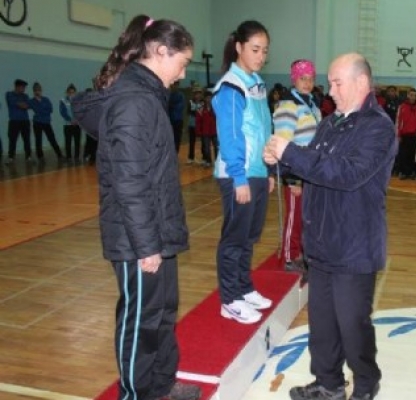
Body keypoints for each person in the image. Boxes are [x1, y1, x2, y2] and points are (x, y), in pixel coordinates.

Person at [71, 15, 200, 400]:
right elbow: (129, 181)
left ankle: (161, 384)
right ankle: (136, 393)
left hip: (156, 230)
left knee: (163, 312)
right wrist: (147, 246)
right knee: (141, 319)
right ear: (160, 52)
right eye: (182, 62)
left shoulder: (148, 96)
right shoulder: (132, 101)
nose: (183, 73)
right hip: (138, 239)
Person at [264, 52, 397, 400]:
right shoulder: (330, 123)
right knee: (322, 323)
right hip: (321, 242)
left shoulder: (378, 127)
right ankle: (329, 383)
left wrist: (291, 153)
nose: (331, 91)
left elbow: (348, 173)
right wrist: (280, 160)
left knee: (352, 324)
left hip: (354, 245)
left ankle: (365, 384)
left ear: (361, 82)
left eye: (337, 83)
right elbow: (313, 165)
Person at [212, 20, 274, 325]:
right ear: (239, 47)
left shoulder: (257, 83)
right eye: (255, 49)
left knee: (249, 237)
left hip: (258, 171)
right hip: (238, 174)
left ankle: (244, 288)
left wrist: (270, 169)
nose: (261, 56)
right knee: (234, 238)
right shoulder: (231, 86)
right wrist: (238, 177)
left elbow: (264, 128)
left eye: (265, 51)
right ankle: (230, 299)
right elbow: (231, 135)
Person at [272, 59, 321, 273]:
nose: (307, 83)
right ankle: (290, 257)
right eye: (303, 78)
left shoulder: (312, 104)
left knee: (306, 217)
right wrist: (292, 178)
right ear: (294, 79)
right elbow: (283, 143)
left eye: (311, 79)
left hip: (311, 171)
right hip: (296, 173)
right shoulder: (288, 106)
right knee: (294, 215)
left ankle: (301, 252)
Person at [28, 82, 64, 162]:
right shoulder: (32, 101)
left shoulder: (46, 99)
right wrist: (42, 110)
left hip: (46, 122)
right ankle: (40, 157)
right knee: (38, 140)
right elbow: (37, 110)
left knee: (52, 139)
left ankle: (59, 155)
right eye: (36, 90)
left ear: (41, 90)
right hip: (37, 123)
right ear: (33, 91)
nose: (37, 91)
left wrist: (40, 110)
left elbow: (50, 109)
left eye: (39, 90)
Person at [5, 78, 32, 164]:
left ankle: (28, 157)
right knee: (12, 140)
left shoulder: (25, 96)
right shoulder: (9, 94)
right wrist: (21, 104)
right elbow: (15, 103)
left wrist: (20, 104)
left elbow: (27, 106)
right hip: (14, 121)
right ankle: (11, 157)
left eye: (24, 87)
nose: (24, 89)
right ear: (17, 87)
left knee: (27, 139)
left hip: (25, 121)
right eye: (22, 87)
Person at [59, 84, 82, 163]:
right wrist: (70, 120)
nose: (72, 94)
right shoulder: (63, 101)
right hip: (67, 125)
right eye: (70, 92)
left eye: (73, 92)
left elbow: (80, 111)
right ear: (67, 92)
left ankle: (77, 157)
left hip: (77, 124)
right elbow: (63, 112)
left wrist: (77, 120)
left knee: (77, 141)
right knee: (68, 142)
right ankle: (69, 157)